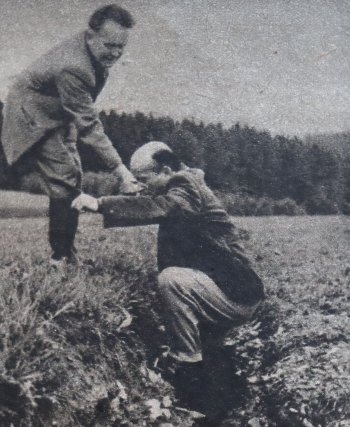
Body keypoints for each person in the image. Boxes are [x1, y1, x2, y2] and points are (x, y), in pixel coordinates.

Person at [72, 141, 265, 419]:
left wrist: (100, 203)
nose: (143, 187)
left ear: (165, 169)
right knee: (180, 290)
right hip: (226, 288)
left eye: (146, 180)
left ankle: (187, 367)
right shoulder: (185, 184)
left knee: (172, 280)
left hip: (236, 293)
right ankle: (211, 388)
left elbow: (165, 207)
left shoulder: (184, 184)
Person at [1, 4, 139, 266]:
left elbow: (79, 112)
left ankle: (67, 254)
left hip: (57, 113)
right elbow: (88, 124)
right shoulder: (74, 66)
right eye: (110, 45)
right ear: (90, 35)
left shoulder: (92, 56)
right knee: (64, 179)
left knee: (73, 174)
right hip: (32, 117)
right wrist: (121, 171)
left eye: (121, 47)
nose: (116, 53)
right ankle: (60, 259)